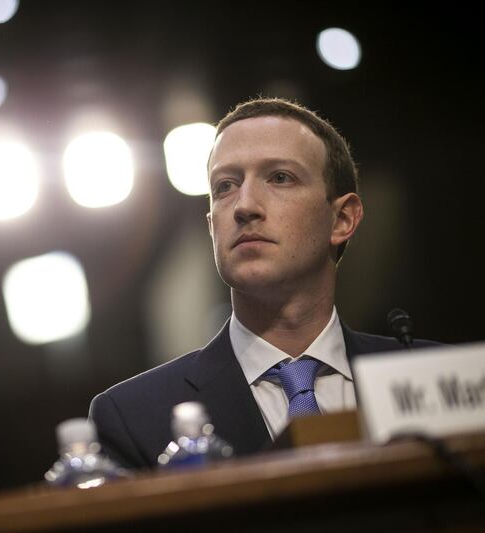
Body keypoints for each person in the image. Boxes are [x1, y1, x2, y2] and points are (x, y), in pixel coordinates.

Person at [88, 97, 440, 470]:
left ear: (342, 220)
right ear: (212, 227)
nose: (244, 206)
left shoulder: (436, 377)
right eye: (225, 186)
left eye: (279, 177)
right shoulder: (133, 417)